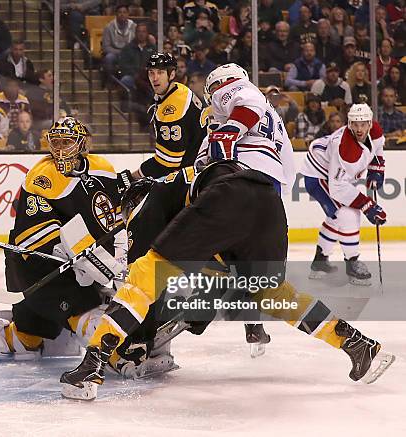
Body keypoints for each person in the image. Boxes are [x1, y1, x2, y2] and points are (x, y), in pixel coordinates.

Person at [61, 159, 394, 400]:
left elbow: (146, 277)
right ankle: (356, 343)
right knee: (275, 295)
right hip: (269, 204)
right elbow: (214, 259)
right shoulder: (188, 185)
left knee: (143, 276)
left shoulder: (153, 198)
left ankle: (91, 364)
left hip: (226, 197)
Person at [0, 117, 124, 363]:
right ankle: (118, 354)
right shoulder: (42, 177)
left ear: (81, 145)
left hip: (74, 265)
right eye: (55, 142)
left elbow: (113, 217)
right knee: (84, 313)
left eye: (67, 142)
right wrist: (76, 258)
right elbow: (35, 235)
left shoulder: (103, 168)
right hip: (34, 266)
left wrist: (114, 256)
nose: (59, 150)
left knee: (27, 340)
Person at [301, 104, 386, 285]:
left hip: (331, 173)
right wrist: (367, 205)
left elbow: (377, 149)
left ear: (370, 123)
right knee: (348, 215)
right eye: (355, 124)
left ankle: (320, 262)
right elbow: (337, 187)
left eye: (363, 124)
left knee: (336, 217)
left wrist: (376, 171)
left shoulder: (376, 130)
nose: (359, 129)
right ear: (349, 123)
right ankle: (352, 263)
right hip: (318, 175)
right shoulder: (345, 149)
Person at [198, 63, 295, 195]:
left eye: (214, 88)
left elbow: (248, 103)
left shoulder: (236, 89)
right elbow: (289, 166)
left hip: (245, 168)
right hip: (273, 177)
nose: (214, 94)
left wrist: (228, 132)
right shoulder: (275, 118)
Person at [124, 53, 206, 181]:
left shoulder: (173, 107)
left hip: (192, 173)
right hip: (195, 165)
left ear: (172, 74)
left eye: (160, 72)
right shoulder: (178, 90)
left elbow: (168, 163)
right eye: (151, 73)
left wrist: (131, 177)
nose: (155, 78)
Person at [116, 23, 156, 93]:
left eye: (143, 31)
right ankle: (132, 101)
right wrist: (135, 75)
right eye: (139, 31)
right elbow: (123, 65)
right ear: (135, 33)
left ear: (147, 33)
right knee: (125, 80)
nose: (141, 34)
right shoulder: (128, 48)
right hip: (133, 76)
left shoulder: (153, 48)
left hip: (148, 77)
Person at [101, 4, 136, 80]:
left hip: (130, 53)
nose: (122, 14)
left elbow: (136, 43)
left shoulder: (134, 26)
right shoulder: (108, 27)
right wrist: (120, 52)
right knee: (109, 58)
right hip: (115, 53)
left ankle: (132, 82)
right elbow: (106, 47)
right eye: (120, 12)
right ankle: (110, 81)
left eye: (124, 12)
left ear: (128, 14)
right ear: (116, 14)